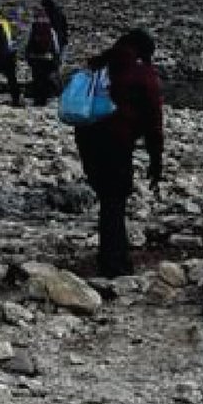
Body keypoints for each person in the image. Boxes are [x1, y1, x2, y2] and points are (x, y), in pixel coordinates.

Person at [73, 28, 163, 277]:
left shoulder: (98, 65)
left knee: (108, 199)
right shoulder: (141, 73)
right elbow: (153, 121)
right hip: (117, 141)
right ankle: (113, 264)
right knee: (115, 200)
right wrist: (156, 159)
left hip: (86, 138)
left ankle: (115, 257)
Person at [23, 10, 61, 104]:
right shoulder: (50, 29)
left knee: (36, 79)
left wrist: (27, 56)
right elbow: (56, 45)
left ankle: (37, 100)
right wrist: (56, 58)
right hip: (47, 57)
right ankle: (44, 99)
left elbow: (27, 43)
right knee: (45, 79)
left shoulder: (33, 28)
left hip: (35, 57)